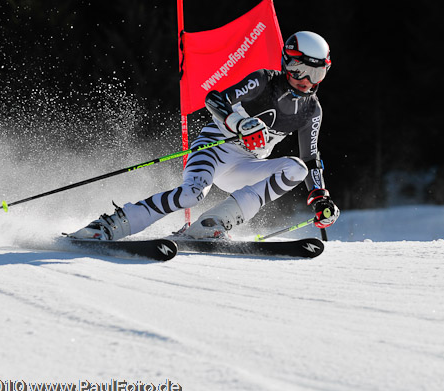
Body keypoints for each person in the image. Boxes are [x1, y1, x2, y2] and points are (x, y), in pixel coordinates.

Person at [70, 31, 340, 241]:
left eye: (315, 73)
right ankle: (111, 225)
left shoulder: (311, 110)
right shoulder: (262, 81)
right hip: (214, 148)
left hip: (245, 166)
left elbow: (311, 158)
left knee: (296, 168)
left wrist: (320, 198)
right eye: (298, 68)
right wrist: (239, 123)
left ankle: (213, 223)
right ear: (285, 62)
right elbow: (214, 99)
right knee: (191, 196)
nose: (305, 79)